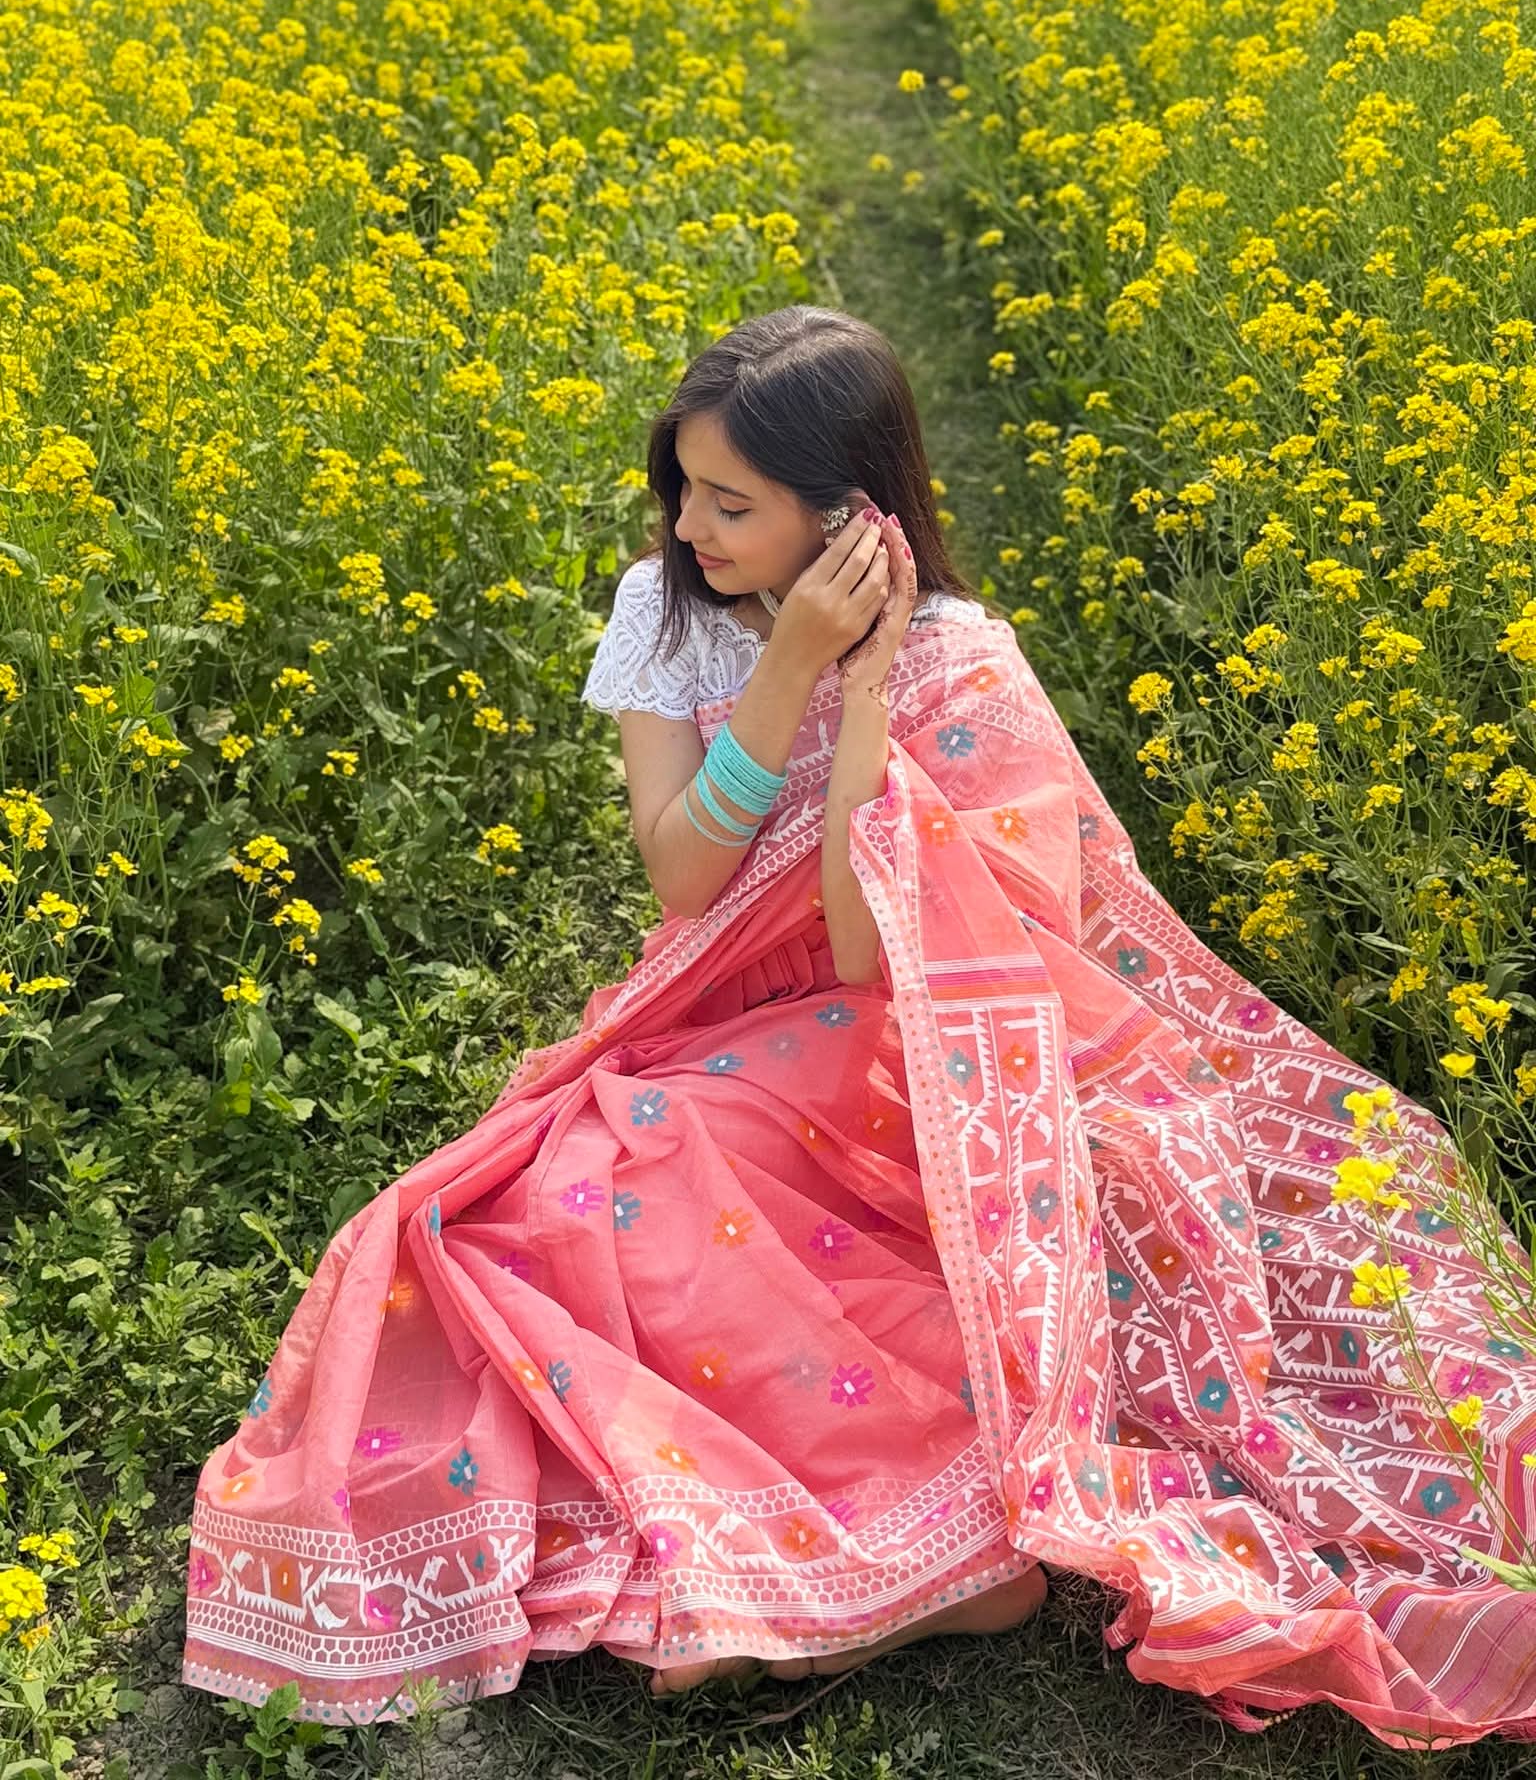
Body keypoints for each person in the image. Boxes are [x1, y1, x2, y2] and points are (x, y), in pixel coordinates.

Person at [182, 306, 1536, 1748]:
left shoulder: (957, 663)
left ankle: (928, 1564)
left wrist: (867, 681)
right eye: (685, 487)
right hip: (721, 1014)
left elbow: (863, 952)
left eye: (733, 503)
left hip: (917, 1047)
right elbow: (686, 878)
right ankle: (916, 1560)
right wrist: (789, 668)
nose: (689, 527)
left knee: (665, 1189)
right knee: (513, 1213)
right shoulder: (664, 610)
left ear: (849, 517)